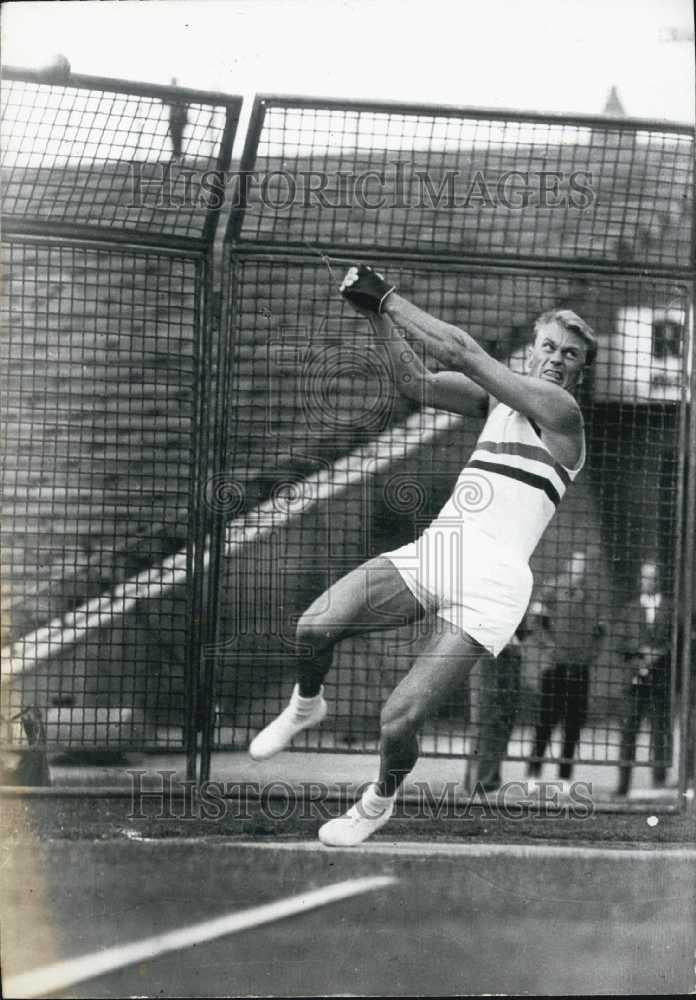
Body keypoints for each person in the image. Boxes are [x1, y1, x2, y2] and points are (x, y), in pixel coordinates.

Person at [249, 264, 596, 846]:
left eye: (571, 356)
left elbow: (460, 350)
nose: (557, 359)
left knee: (398, 720)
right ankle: (307, 705)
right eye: (549, 347)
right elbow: (419, 382)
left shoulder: (564, 417)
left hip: (495, 586)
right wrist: (375, 318)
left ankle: (378, 800)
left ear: (578, 375)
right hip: (440, 551)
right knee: (313, 628)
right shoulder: (496, 402)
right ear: (532, 350)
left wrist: (387, 298)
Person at [526, 550, 601, 787]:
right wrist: (549, 647)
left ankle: (565, 777)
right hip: (555, 666)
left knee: (574, 723)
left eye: (584, 566)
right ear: (569, 565)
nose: (580, 570)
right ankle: (533, 774)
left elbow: (601, 632)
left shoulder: (592, 595)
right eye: (577, 564)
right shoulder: (552, 589)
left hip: (579, 667)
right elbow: (535, 622)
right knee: (546, 720)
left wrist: (589, 655)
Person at [615, 560, 672, 796]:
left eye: (651, 577)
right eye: (644, 577)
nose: (647, 581)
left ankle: (659, 782)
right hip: (634, 679)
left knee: (660, 730)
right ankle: (623, 784)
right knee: (629, 730)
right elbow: (620, 642)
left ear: (658, 580)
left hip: (659, 679)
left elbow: (675, 641)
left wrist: (658, 653)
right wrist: (640, 654)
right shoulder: (629, 609)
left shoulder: (670, 608)